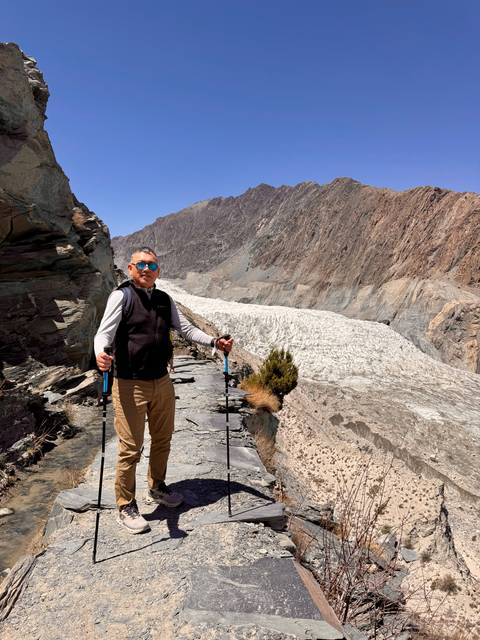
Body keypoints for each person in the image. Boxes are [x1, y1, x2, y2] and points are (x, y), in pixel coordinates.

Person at [94, 246, 233, 534]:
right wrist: (100, 354)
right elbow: (104, 334)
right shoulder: (121, 296)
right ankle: (125, 504)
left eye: (152, 266)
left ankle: (157, 486)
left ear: (159, 271)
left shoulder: (163, 299)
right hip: (129, 383)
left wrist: (214, 342)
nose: (146, 269)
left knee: (163, 439)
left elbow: (186, 330)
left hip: (161, 381)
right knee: (131, 447)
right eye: (140, 265)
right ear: (130, 269)